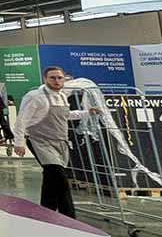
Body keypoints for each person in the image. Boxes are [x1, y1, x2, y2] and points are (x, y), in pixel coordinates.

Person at [12, 66, 100, 217]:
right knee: (58, 175)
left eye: (60, 78)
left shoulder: (62, 97)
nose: (57, 81)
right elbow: (21, 120)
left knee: (51, 178)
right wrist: (19, 143)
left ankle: (47, 212)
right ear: (45, 79)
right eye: (52, 77)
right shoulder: (35, 96)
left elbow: (66, 115)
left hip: (60, 142)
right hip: (40, 142)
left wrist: (87, 112)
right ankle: (69, 215)